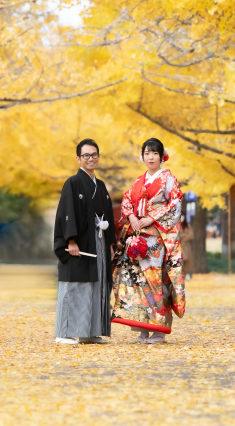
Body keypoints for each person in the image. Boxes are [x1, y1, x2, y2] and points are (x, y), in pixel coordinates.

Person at [112, 137, 185, 344]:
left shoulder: (168, 178)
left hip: (156, 237)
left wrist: (151, 218)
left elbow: (175, 203)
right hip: (137, 236)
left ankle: (159, 330)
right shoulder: (138, 180)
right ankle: (144, 329)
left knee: (155, 280)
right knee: (137, 281)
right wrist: (133, 218)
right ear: (142, 156)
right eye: (147, 153)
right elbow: (127, 200)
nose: (150, 157)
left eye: (154, 153)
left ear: (162, 156)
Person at [53, 139, 116, 345]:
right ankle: (64, 332)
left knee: (96, 284)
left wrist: (110, 244)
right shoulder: (73, 182)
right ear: (78, 158)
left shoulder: (101, 185)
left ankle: (90, 332)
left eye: (94, 154)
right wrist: (70, 240)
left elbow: (108, 216)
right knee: (76, 284)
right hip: (79, 243)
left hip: (98, 241)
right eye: (86, 155)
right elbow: (66, 213)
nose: (91, 158)